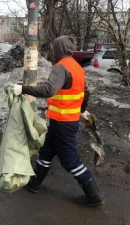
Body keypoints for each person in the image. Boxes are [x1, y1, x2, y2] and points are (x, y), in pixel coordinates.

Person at [12, 35, 104, 206]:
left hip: (63, 123)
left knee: (70, 161)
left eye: (54, 48)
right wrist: (81, 111)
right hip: (62, 121)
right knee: (46, 151)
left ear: (59, 50)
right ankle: (35, 184)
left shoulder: (61, 68)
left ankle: (94, 196)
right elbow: (86, 92)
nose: (53, 52)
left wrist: (22, 89)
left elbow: (49, 89)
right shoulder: (77, 67)